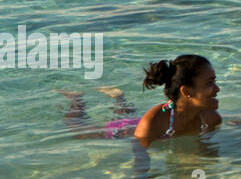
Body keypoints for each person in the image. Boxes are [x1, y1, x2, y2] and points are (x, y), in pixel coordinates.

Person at [61, 55, 222, 146]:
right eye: (209, 83)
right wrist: (141, 174)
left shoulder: (210, 118)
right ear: (186, 91)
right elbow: (139, 148)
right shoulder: (154, 119)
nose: (217, 88)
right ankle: (76, 98)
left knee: (127, 117)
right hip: (125, 131)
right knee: (78, 128)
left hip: (140, 123)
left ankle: (118, 97)